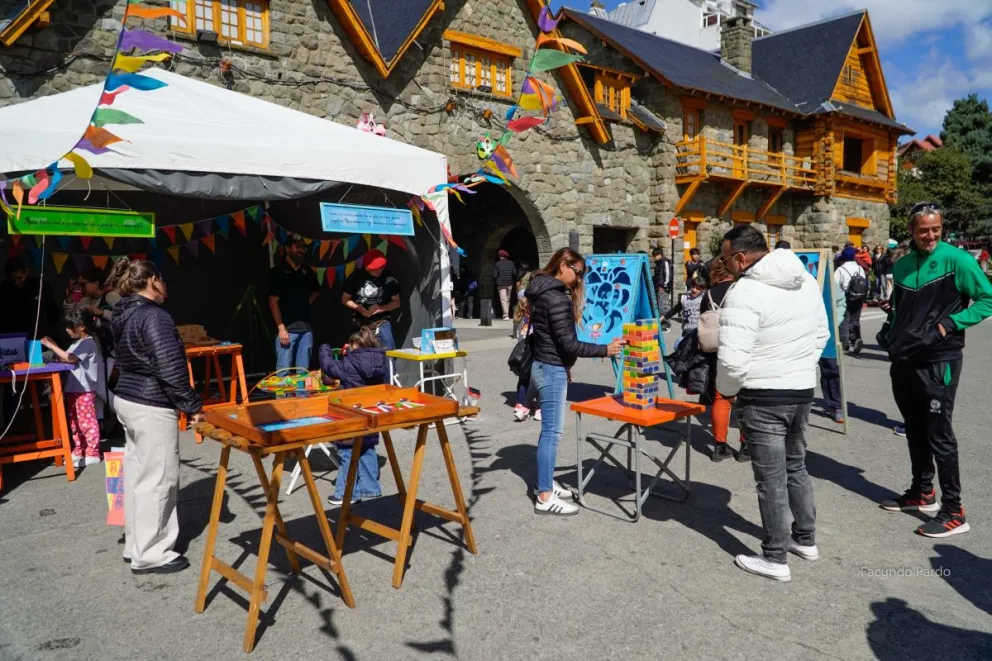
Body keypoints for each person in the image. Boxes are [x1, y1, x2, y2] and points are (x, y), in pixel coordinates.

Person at [717, 226, 829, 582]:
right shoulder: (805, 280)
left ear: (740, 257)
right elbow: (822, 334)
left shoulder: (744, 291)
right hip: (800, 389)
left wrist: (727, 390)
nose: (724, 265)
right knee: (796, 466)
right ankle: (805, 539)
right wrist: (799, 367)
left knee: (771, 479)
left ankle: (775, 556)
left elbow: (732, 361)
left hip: (762, 394)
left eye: (725, 258)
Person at [878, 203, 992, 538]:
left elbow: (987, 299)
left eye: (936, 229)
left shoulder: (958, 260)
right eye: (923, 230)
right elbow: (900, 308)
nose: (930, 236)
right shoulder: (902, 265)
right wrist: (890, 328)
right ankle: (923, 492)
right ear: (911, 231)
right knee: (914, 428)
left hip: (940, 358)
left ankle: (954, 510)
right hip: (905, 358)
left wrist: (947, 325)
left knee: (939, 433)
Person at [109, 258, 203, 575]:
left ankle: (136, 545)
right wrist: (192, 406)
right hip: (150, 403)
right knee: (159, 479)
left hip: (127, 397)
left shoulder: (122, 313)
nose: (166, 285)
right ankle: (151, 553)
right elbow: (170, 368)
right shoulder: (155, 316)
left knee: (138, 476)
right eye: (163, 280)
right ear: (153, 281)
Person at [524, 248, 624, 515]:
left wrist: (565, 362)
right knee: (551, 433)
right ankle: (544, 496)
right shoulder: (557, 298)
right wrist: (605, 349)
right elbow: (569, 343)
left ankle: (545, 483)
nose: (578, 279)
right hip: (550, 369)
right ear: (563, 266)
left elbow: (550, 338)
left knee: (549, 431)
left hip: (545, 364)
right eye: (577, 273)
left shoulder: (540, 291)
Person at [318, 327, 386, 506]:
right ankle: (371, 488)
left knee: (347, 452)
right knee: (367, 448)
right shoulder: (380, 360)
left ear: (355, 345)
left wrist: (324, 347)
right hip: (371, 412)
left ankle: (346, 494)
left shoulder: (349, 363)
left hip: (351, 415)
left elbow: (328, 365)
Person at [40, 309, 107, 469]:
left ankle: (92, 453)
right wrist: (55, 346)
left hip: (84, 389)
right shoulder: (77, 343)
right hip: (73, 388)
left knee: (87, 422)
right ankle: (79, 450)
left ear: (81, 326)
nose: (67, 330)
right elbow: (64, 356)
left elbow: (70, 358)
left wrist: (51, 346)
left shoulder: (88, 342)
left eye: (70, 327)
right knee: (75, 422)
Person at [699, 257, 747, 462]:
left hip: (717, 351)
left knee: (721, 398)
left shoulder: (708, 294)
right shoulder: (741, 290)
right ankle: (745, 447)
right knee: (744, 398)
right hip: (741, 348)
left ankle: (719, 447)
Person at [269, 235, 320, 370]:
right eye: (297, 246)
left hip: (306, 329)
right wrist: (281, 328)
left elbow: (316, 290)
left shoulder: (308, 271)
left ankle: (302, 386)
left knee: (303, 371)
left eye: (303, 247)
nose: (301, 250)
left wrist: (308, 301)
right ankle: (283, 388)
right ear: (287, 248)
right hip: (287, 330)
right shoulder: (278, 272)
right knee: (284, 371)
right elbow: (273, 302)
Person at [342, 249, 401, 351]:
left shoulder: (389, 279)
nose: (378, 271)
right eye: (374, 269)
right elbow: (345, 299)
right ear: (367, 268)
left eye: (380, 268)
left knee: (388, 351)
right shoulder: (357, 276)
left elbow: (397, 302)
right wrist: (358, 308)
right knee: (357, 353)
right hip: (360, 323)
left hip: (381, 322)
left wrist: (382, 308)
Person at [0, 257, 60, 339]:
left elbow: (53, 313)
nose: (16, 282)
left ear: (26, 272)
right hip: (10, 337)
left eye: (19, 278)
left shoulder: (39, 286)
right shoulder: (3, 289)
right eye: (12, 279)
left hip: (37, 337)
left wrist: (46, 333)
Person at [819, 278, 846, 424]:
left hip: (825, 331)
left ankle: (835, 406)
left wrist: (834, 322)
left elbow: (840, 301)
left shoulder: (826, 276)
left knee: (830, 367)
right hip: (799, 331)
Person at [511, 298, 540, 422]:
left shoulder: (520, 318)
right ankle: (537, 407)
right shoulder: (530, 320)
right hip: (531, 353)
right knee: (536, 379)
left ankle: (520, 402)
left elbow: (519, 337)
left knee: (523, 379)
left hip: (523, 355)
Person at [834, 247, 868, 353]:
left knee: (845, 319)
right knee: (855, 319)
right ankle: (856, 339)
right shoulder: (859, 268)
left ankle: (845, 343)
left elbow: (835, 284)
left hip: (846, 297)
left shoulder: (840, 269)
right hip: (859, 297)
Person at [663, 273, 706, 341]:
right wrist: (663, 318)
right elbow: (675, 309)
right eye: (693, 287)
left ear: (702, 290)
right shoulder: (685, 298)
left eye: (698, 289)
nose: (694, 290)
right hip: (686, 330)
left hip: (699, 331)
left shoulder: (704, 299)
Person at [494, 249, 517, 320]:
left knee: (503, 299)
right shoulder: (511, 263)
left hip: (501, 283)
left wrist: (497, 280)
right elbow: (514, 273)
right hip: (509, 283)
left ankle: (506, 315)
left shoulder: (497, 264)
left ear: (500, 256)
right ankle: (506, 314)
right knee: (507, 299)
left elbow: (495, 275)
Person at [652, 247, 674, 321]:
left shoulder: (665, 262)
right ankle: (662, 322)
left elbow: (668, 275)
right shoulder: (658, 263)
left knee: (663, 307)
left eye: (655, 255)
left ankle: (666, 323)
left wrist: (664, 286)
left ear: (660, 254)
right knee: (660, 306)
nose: (654, 257)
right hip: (659, 288)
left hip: (663, 288)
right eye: (654, 256)